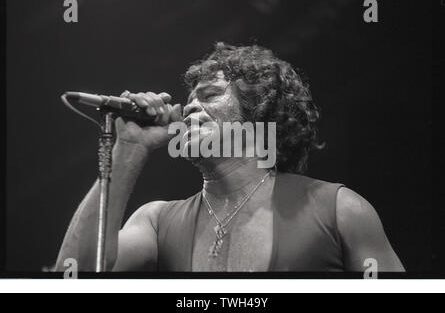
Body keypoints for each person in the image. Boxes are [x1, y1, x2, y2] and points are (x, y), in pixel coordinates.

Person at [55, 42, 404, 272]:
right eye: (190, 97)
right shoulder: (157, 221)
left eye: (209, 94)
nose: (190, 105)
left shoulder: (340, 210)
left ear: (261, 111)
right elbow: (73, 273)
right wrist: (129, 149)